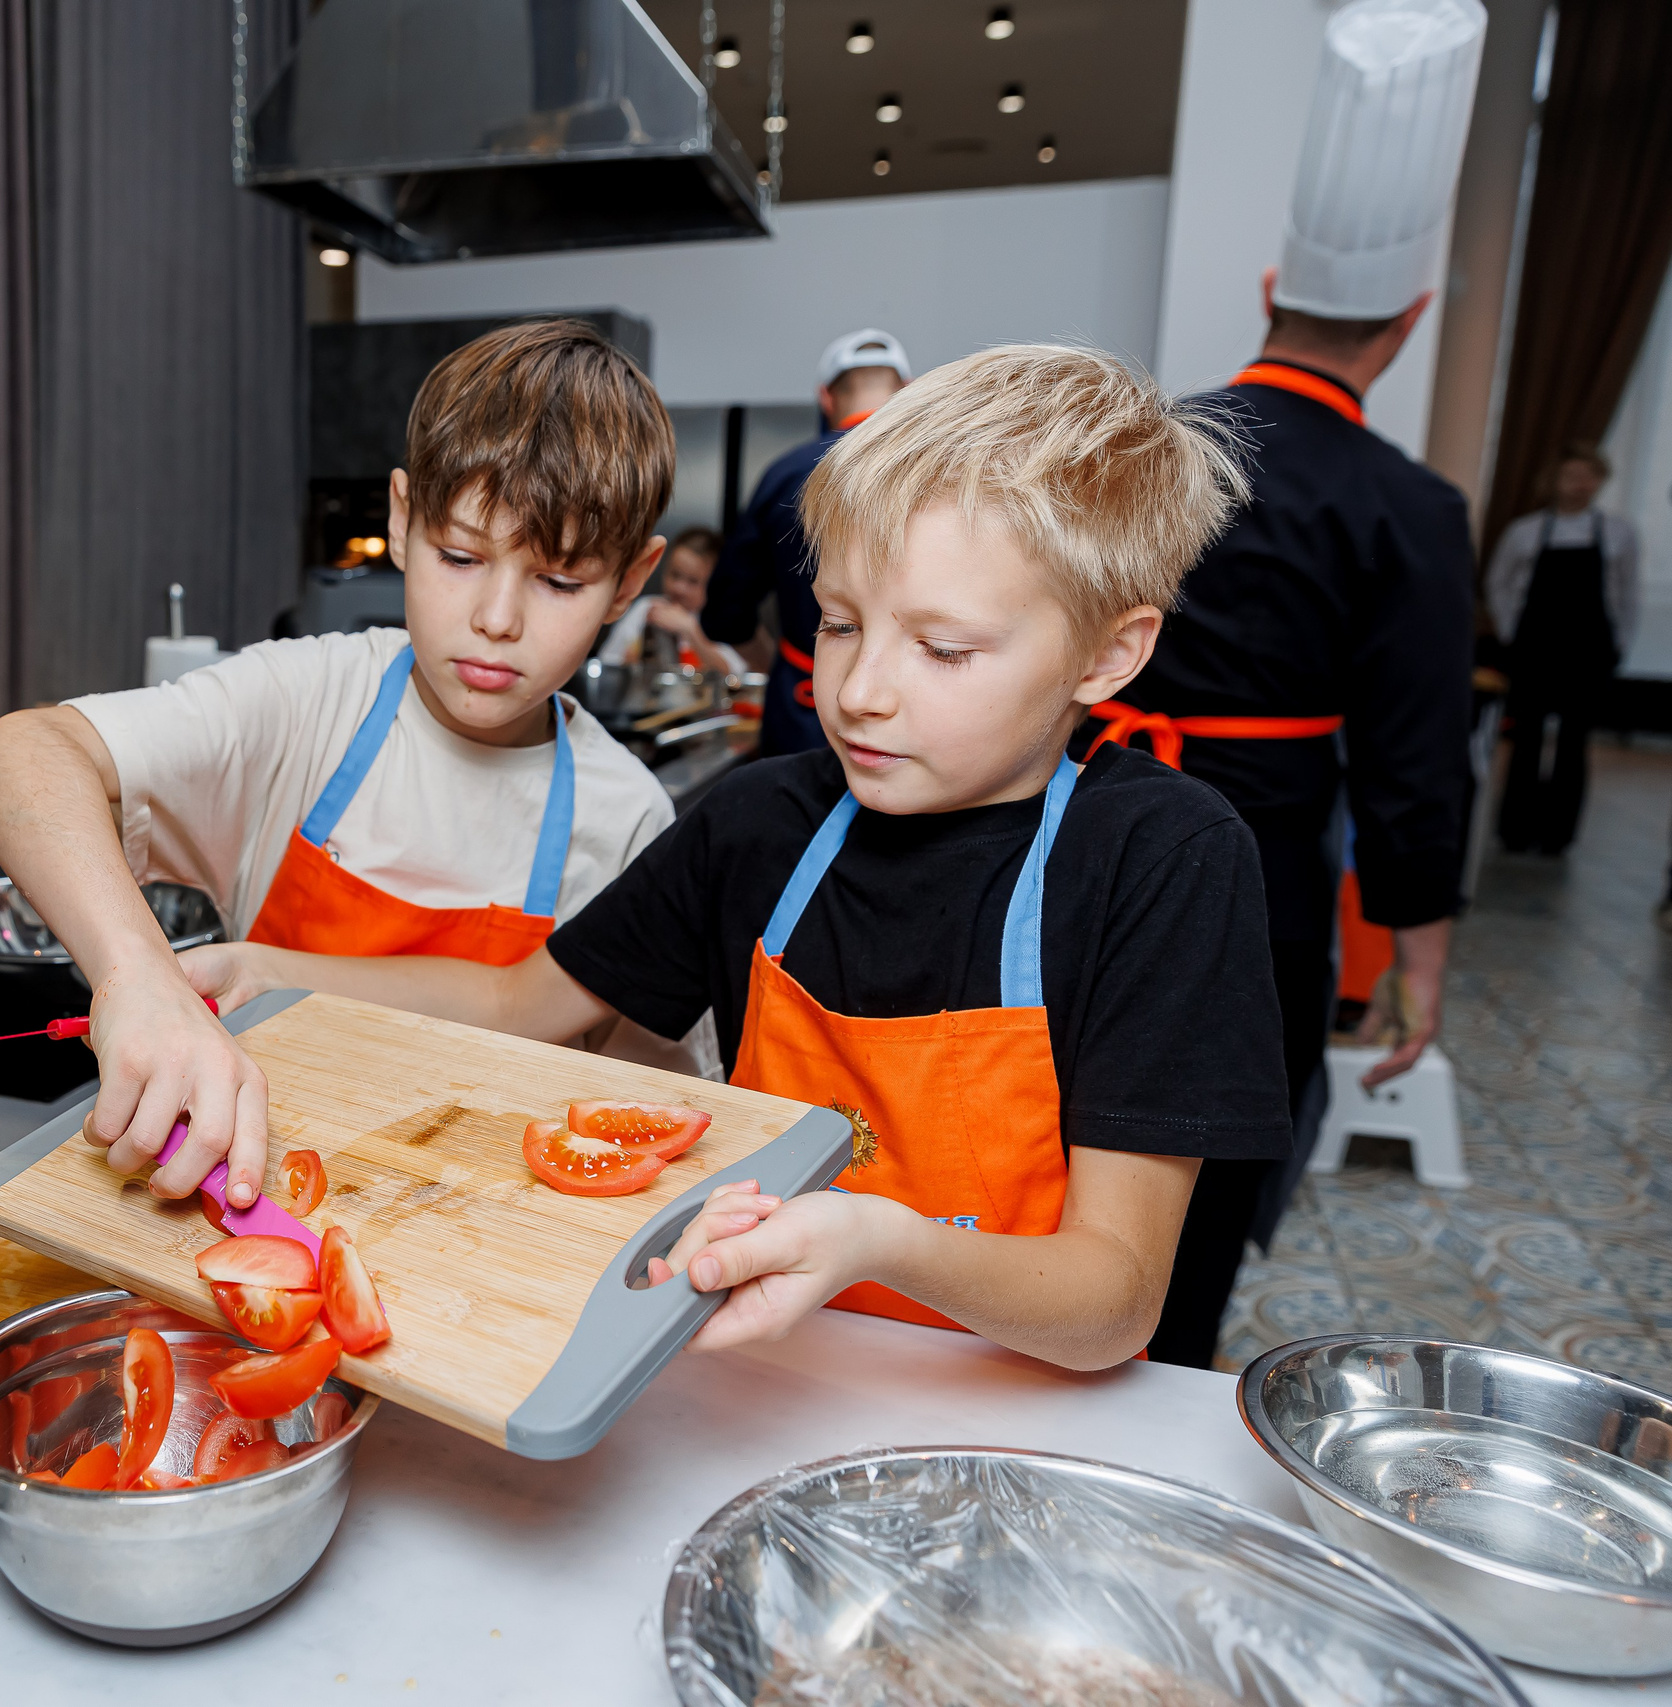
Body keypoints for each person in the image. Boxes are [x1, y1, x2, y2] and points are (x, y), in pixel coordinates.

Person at [186, 345, 1294, 1370]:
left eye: (944, 649)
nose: (857, 692)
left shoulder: (1162, 861)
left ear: (1111, 652)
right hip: (762, 1382)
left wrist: (880, 1243)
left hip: (1011, 1407)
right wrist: (275, 974)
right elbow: (518, 998)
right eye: (841, 624)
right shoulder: (759, 823)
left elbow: (1114, 1301)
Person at [0, 319, 686, 1210]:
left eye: (560, 581)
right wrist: (138, 977)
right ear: (400, 516)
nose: (498, 617)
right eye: (459, 556)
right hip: (248, 1202)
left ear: (630, 578)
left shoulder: (631, 821)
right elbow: (17, 754)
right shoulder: (309, 701)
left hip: (491, 1248)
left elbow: (650, 1118)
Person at [1088, 0, 1486, 1367]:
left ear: (1271, 290)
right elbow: (1418, 755)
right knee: (1218, 1110)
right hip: (1259, 847)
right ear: (1410, 320)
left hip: (1087, 813)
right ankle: (1170, 1346)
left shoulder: (1145, 441)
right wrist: (1417, 959)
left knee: (1070, 1076)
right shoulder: (1408, 505)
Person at [703, 329, 911, 756]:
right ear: (906, 391)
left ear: (826, 398)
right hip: (911, 708)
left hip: (805, 709)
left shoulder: (787, 473)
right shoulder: (946, 475)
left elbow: (726, 612)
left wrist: (776, 658)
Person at [1487, 445, 1640, 855]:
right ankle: (1515, 830)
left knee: (1574, 742)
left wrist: (1620, 642)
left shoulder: (1618, 533)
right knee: (1527, 737)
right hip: (1536, 647)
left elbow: (1627, 593)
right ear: (1554, 481)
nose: (1579, 484)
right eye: (1571, 475)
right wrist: (1510, 632)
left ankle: (1559, 834)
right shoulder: (1527, 530)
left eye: (1588, 476)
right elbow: (1499, 583)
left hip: (1588, 649)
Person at [598, 525, 746, 675]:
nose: (679, 588)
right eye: (675, 575)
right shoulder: (645, 609)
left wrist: (690, 630)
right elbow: (608, 662)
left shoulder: (718, 622)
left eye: (693, 581)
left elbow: (733, 676)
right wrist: (630, 660)